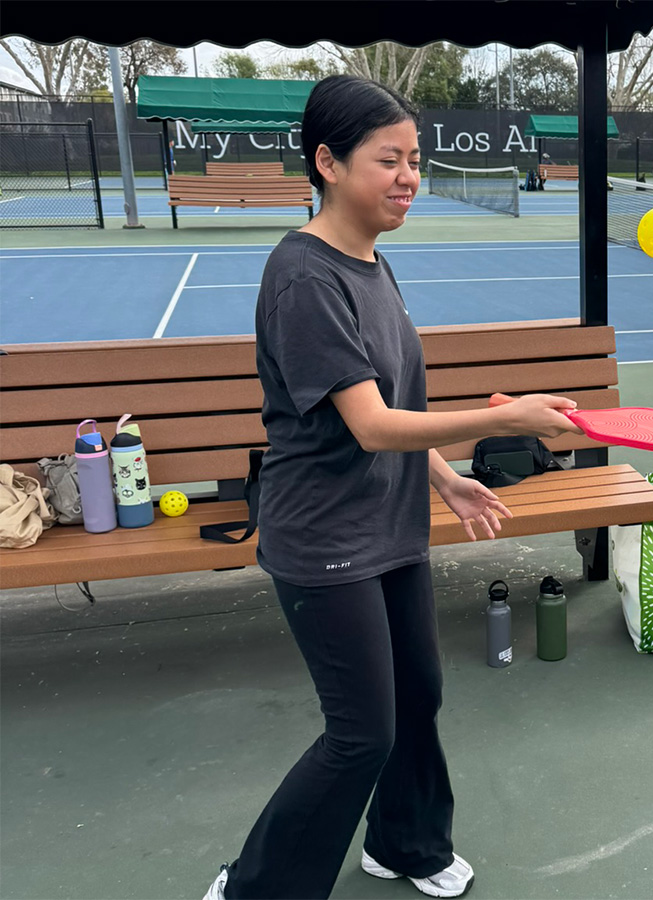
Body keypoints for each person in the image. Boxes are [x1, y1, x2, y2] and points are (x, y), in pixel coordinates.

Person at [203, 75, 582, 900]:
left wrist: (443, 478)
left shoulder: (374, 263)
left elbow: (390, 403)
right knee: (360, 734)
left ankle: (405, 845)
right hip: (325, 540)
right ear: (328, 163)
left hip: (390, 524)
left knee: (419, 695)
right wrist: (502, 419)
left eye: (415, 158)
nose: (410, 175)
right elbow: (371, 424)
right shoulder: (304, 278)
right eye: (389, 159)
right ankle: (254, 887)